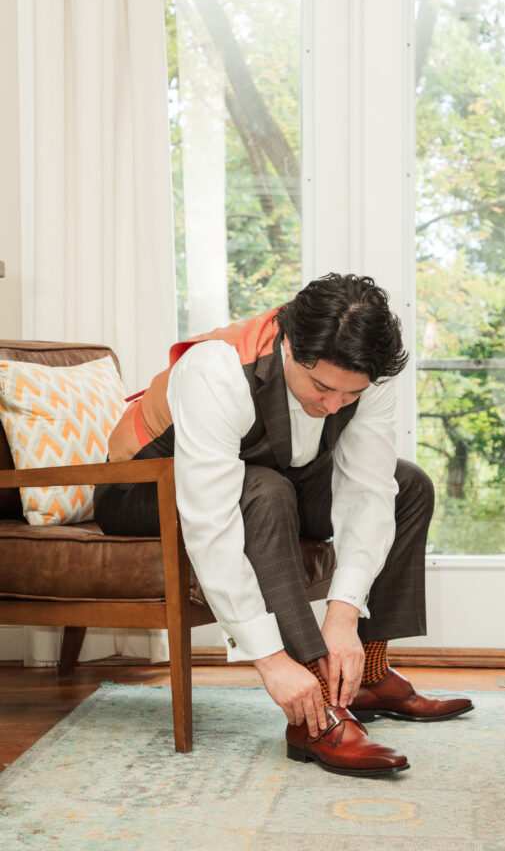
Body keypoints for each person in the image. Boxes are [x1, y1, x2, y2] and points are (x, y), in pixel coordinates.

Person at [94, 273, 473, 777]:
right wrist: (271, 661)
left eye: (349, 394)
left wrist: (342, 616)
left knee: (408, 485)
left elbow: (367, 490)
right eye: (321, 386)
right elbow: (211, 522)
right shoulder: (216, 369)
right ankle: (315, 711)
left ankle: (368, 677)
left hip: (270, 471)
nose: (333, 405)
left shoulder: (367, 375)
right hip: (142, 488)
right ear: (289, 346)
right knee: (265, 492)